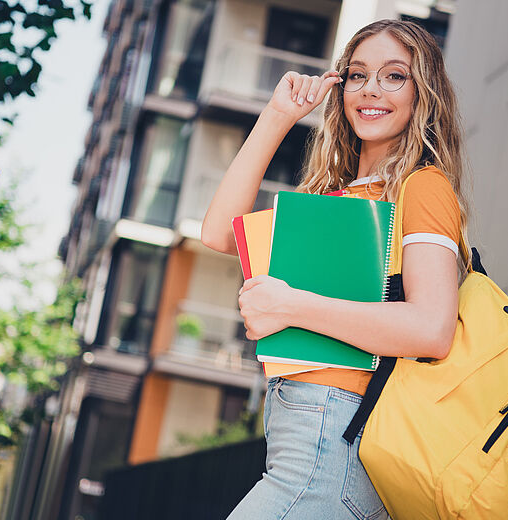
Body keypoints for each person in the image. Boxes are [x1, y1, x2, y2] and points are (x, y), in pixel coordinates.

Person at [200, 19, 473, 520]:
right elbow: (219, 233)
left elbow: (432, 329)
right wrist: (278, 115)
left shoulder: (423, 186)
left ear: (423, 93)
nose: (371, 89)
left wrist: (290, 306)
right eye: (358, 75)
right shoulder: (337, 197)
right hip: (302, 434)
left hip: (334, 441)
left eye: (394, 76)